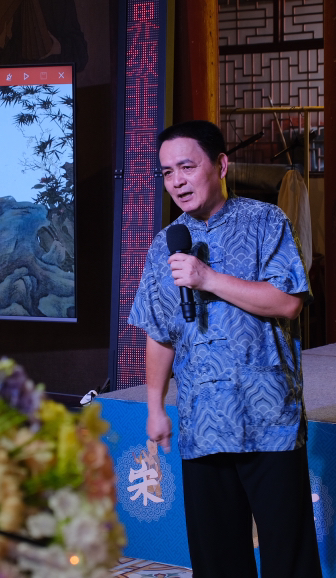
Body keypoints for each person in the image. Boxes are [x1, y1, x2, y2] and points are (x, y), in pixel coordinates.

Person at [128, 120, 321, 578]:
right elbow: (159, 332)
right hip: (203, 423)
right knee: (217, 562)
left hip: (269, 419)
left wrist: (207, 278)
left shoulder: (266, 221)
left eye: (187, 167)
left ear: (221, 165)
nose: (177, 181)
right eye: (167, 172)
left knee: (288, 558)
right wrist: (155, 407)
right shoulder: (164, 245)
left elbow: (287, 302)